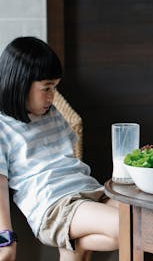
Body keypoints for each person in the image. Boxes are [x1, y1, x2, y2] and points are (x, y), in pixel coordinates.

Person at [0, 37, 119, 261]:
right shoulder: (2, 126)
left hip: (89, 191)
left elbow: (68, 158)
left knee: (144, 220)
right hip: (53, 205)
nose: (52, 96)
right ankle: (69, 245)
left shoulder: (51, 113)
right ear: (20, 83)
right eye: (46, 88)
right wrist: (5, 237)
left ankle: (70, 245)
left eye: (54, 87)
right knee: (129, 227)